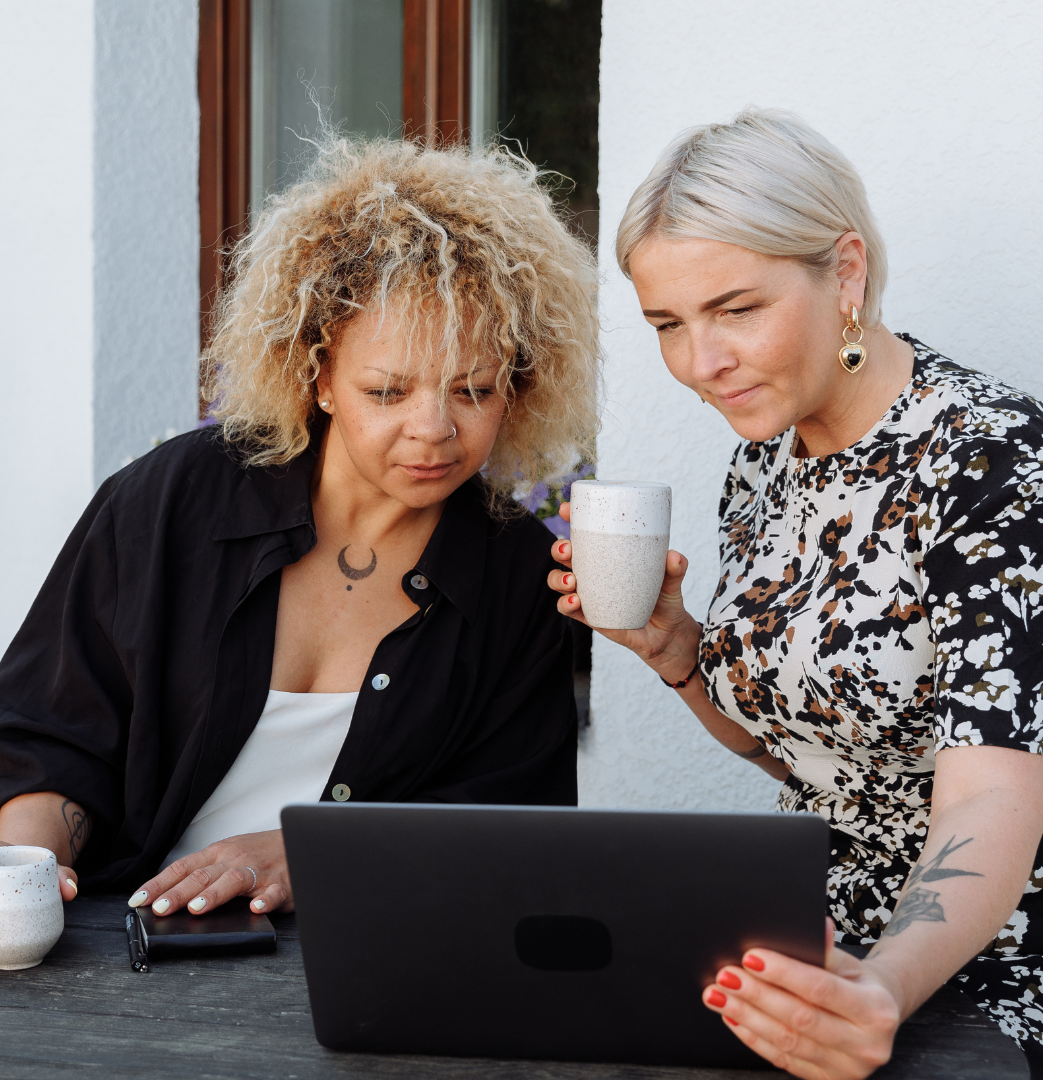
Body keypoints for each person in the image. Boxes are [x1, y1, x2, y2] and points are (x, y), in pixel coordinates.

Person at [550, 109, 1043, 1079]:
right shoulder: (767, 461)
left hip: (1008, 945)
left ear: (845, 273)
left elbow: (995, 794)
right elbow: (803, 758)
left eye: (736, 309)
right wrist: (682, 657)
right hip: (813, 926)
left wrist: (878, 988)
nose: (700, 364)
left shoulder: (989, 455)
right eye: (668, 324)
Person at [0, 136, 599, 920]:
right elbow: (49, 735)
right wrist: (29, 868)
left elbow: (511, 832)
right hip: (125, 953)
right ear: (317, 376)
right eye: (387, 391)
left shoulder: (520, 576)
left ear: (517, 385)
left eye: (474, 390)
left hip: (365, 960)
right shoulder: (175, 499)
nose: (434, 429)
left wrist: (316, 853)